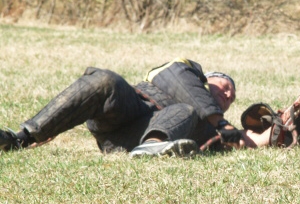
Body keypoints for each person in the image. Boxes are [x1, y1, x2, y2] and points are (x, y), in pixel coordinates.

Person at [0, 57, 270, 157]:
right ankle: (22, 138)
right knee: (105, 79)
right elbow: (171, 71)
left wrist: (277, 131)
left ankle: (151, 147)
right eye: (222, 86)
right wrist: (219, 120)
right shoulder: (183, 73)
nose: (226, 94)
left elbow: (255, 142)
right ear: (204, 79)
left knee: (186, 112)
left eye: (230, 97)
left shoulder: (215, 130)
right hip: (129, 109)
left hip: (133, 141)